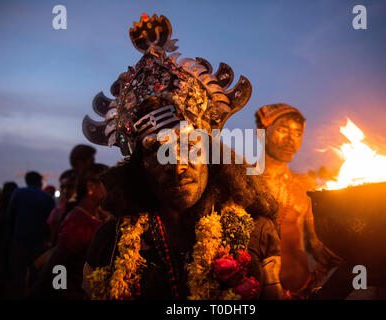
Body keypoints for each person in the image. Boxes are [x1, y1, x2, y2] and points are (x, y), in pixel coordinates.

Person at [81, 14, 283, 300]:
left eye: (190, 144)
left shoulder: (256, 232)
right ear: (138, 166)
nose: (176, 165)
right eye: (156, 150)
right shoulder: (109, 242)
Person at [255, 103, 342, 299]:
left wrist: (342, 249)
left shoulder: (305, 185)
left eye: (297, 133)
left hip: (301, 288)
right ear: (261, 132)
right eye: (283, 130)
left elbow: (315, 244)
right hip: (254, 293)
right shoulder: (243, 181)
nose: (290, 140)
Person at [30, 164, 109, 299]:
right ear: (91, 187)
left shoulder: (97, 215)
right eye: (107, 183)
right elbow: (58, 266)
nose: (111, 190)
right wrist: (60, 294)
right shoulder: (77, 223)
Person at [5, 171, 55, 298]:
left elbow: (10, 217)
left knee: (19, 276)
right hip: (40, 242)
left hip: (19, 240)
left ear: (26, 181)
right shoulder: (48, 198)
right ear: (39, 182)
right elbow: (52, 223)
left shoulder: (18, 193)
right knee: (37, 275)